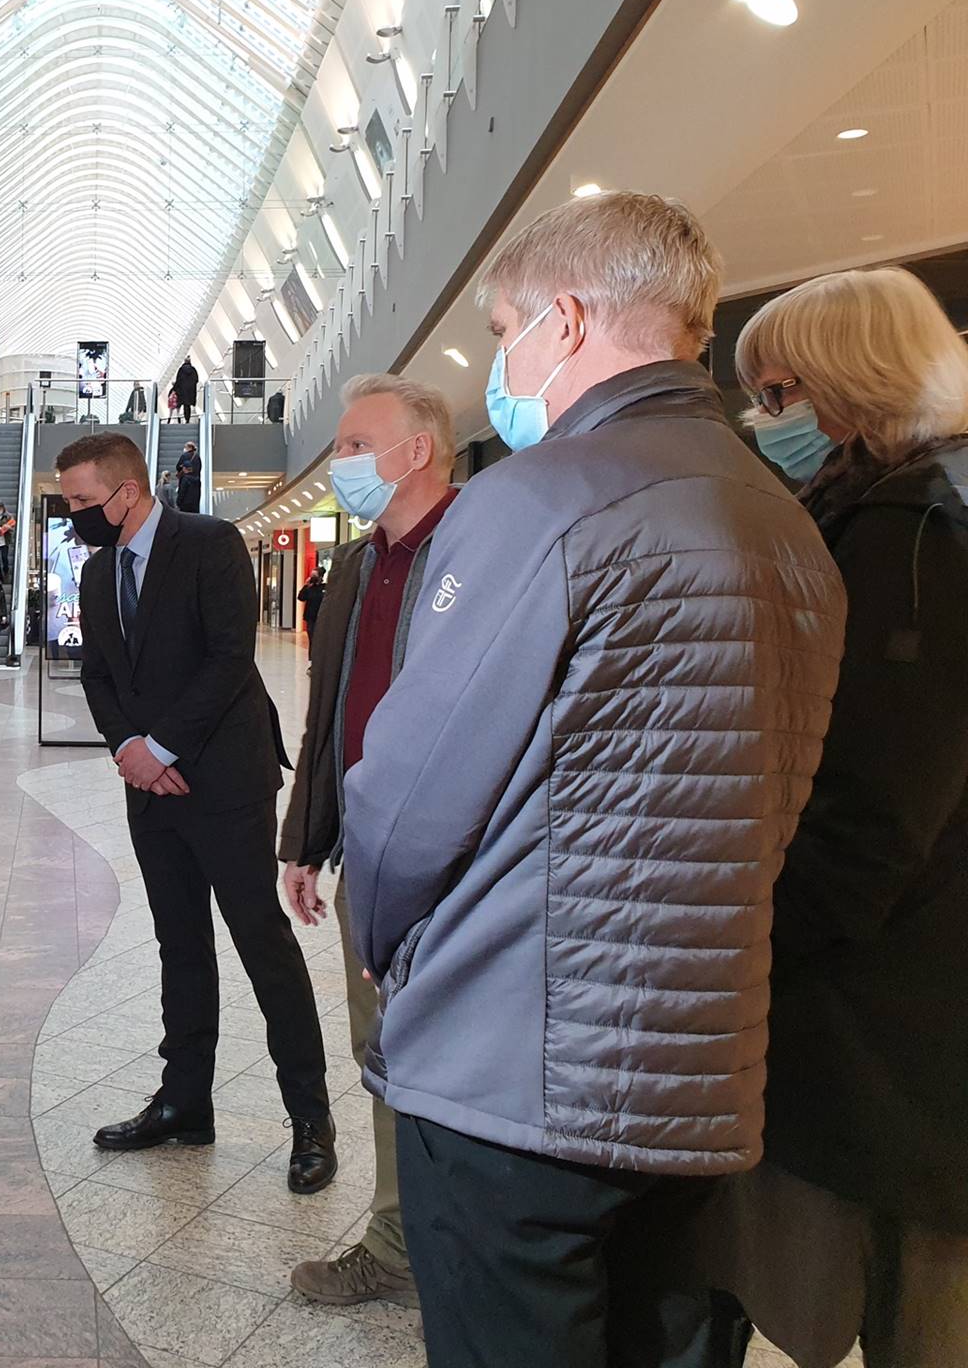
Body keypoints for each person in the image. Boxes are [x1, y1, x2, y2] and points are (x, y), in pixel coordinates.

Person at [340, 191, 845, 1367]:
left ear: (566, 320)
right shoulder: (790, 520)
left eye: (508, 326)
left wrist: (380, 940)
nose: (505, 363)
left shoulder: (543, 501)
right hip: (703, 1070)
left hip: (522, 1071)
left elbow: (408, 799)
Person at [707, 267, 968, 1367]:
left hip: (890, 1010)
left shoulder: (913, 538)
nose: (769, 422)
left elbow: (876, 809)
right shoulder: (890, 515)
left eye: (778, 393)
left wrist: (753, 941)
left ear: (846, 384)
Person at [56, 432, 334, 1195]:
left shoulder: (211, 545)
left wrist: (164, 747)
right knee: (179, 946)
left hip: (226, 782)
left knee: (261, 945)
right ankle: (185, 1102)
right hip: (150, 789)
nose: (74, 515)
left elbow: (228, 658)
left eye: (83, 501)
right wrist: (130, 751)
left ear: (127, 491)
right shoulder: (98, 570)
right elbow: (100, 674)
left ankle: (310, 1117)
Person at [277, 374, 458, 1309]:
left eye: (354, 444)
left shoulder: (481, 550)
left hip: (464, 869)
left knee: (456, 1057)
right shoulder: (354, 567)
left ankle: (459, 1248)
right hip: (370, 861)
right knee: (381, 1051)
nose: (338, 461)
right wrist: (308, 838)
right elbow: (331, 713)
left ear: (415, 450)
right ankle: (395, 1241)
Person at [295, 562, 326, 643]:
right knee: (312, 639)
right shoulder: (309, 588)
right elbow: (301, 597)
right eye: (311, 575)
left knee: (320, 640)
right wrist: (306, 585)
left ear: (320, 577)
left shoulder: (325, 587)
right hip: (311, 618)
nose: (312, 577)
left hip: (321, 618)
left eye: (314, 576)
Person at [175, 440, 201, 512]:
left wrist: (178, 502)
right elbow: (199, 468)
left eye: (185, 447)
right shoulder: (197, 457)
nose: (184, 449)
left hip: (185, 504)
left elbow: (178, 467)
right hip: (195, 482)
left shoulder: (184, 456)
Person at [173, 356, 199, 423]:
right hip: (190, 391)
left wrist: (175, 389)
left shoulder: (181, 370)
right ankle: (187, 419)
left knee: (183, 405)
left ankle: (181, 419)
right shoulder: (193, 370)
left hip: (183, 391)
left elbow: (178, 380)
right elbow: (196, 380)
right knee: (188, 405)